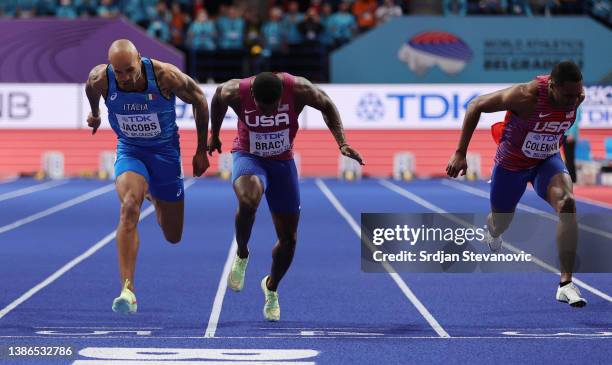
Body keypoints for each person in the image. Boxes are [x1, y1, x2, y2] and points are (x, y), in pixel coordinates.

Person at [208, 72, 363, 321]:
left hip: (282, 163)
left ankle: (271, 288)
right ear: (252, 97)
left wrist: (342, 143)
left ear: (282, 96)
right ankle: (242, 254)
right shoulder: (234, 91)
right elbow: (217, 99)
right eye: (262, 108)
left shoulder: (299, 89)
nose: (268, 114)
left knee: (289, 240)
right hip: (249, 156)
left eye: (273, 108)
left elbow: (327, 104)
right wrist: (214, 134)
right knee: (249, 200)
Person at [446, 61, 587, 307]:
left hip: (546, 161)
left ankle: (566, 284)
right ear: (552, 86)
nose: (573, 101)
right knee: (501, 221)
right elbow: (476, 105)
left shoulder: (576, 96)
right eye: (567, 96)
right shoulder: (525, 95)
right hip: (511, 166)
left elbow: (558, 127)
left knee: (568, 203)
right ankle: (493, 232)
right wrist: (460, 153)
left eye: (577, 95)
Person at [85, 39, 210, 314]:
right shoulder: (101, 79)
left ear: (139, 58)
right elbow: (90, 89)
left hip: (165, 154)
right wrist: (95, 115)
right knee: (129, 206)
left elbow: (200, 99)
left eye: (130, 70)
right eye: (119, 73)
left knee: (172, 234)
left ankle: (154, 194)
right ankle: (127, 290)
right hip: (130, 150)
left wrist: (201, 149)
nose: (126, 78)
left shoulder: (165, 75)